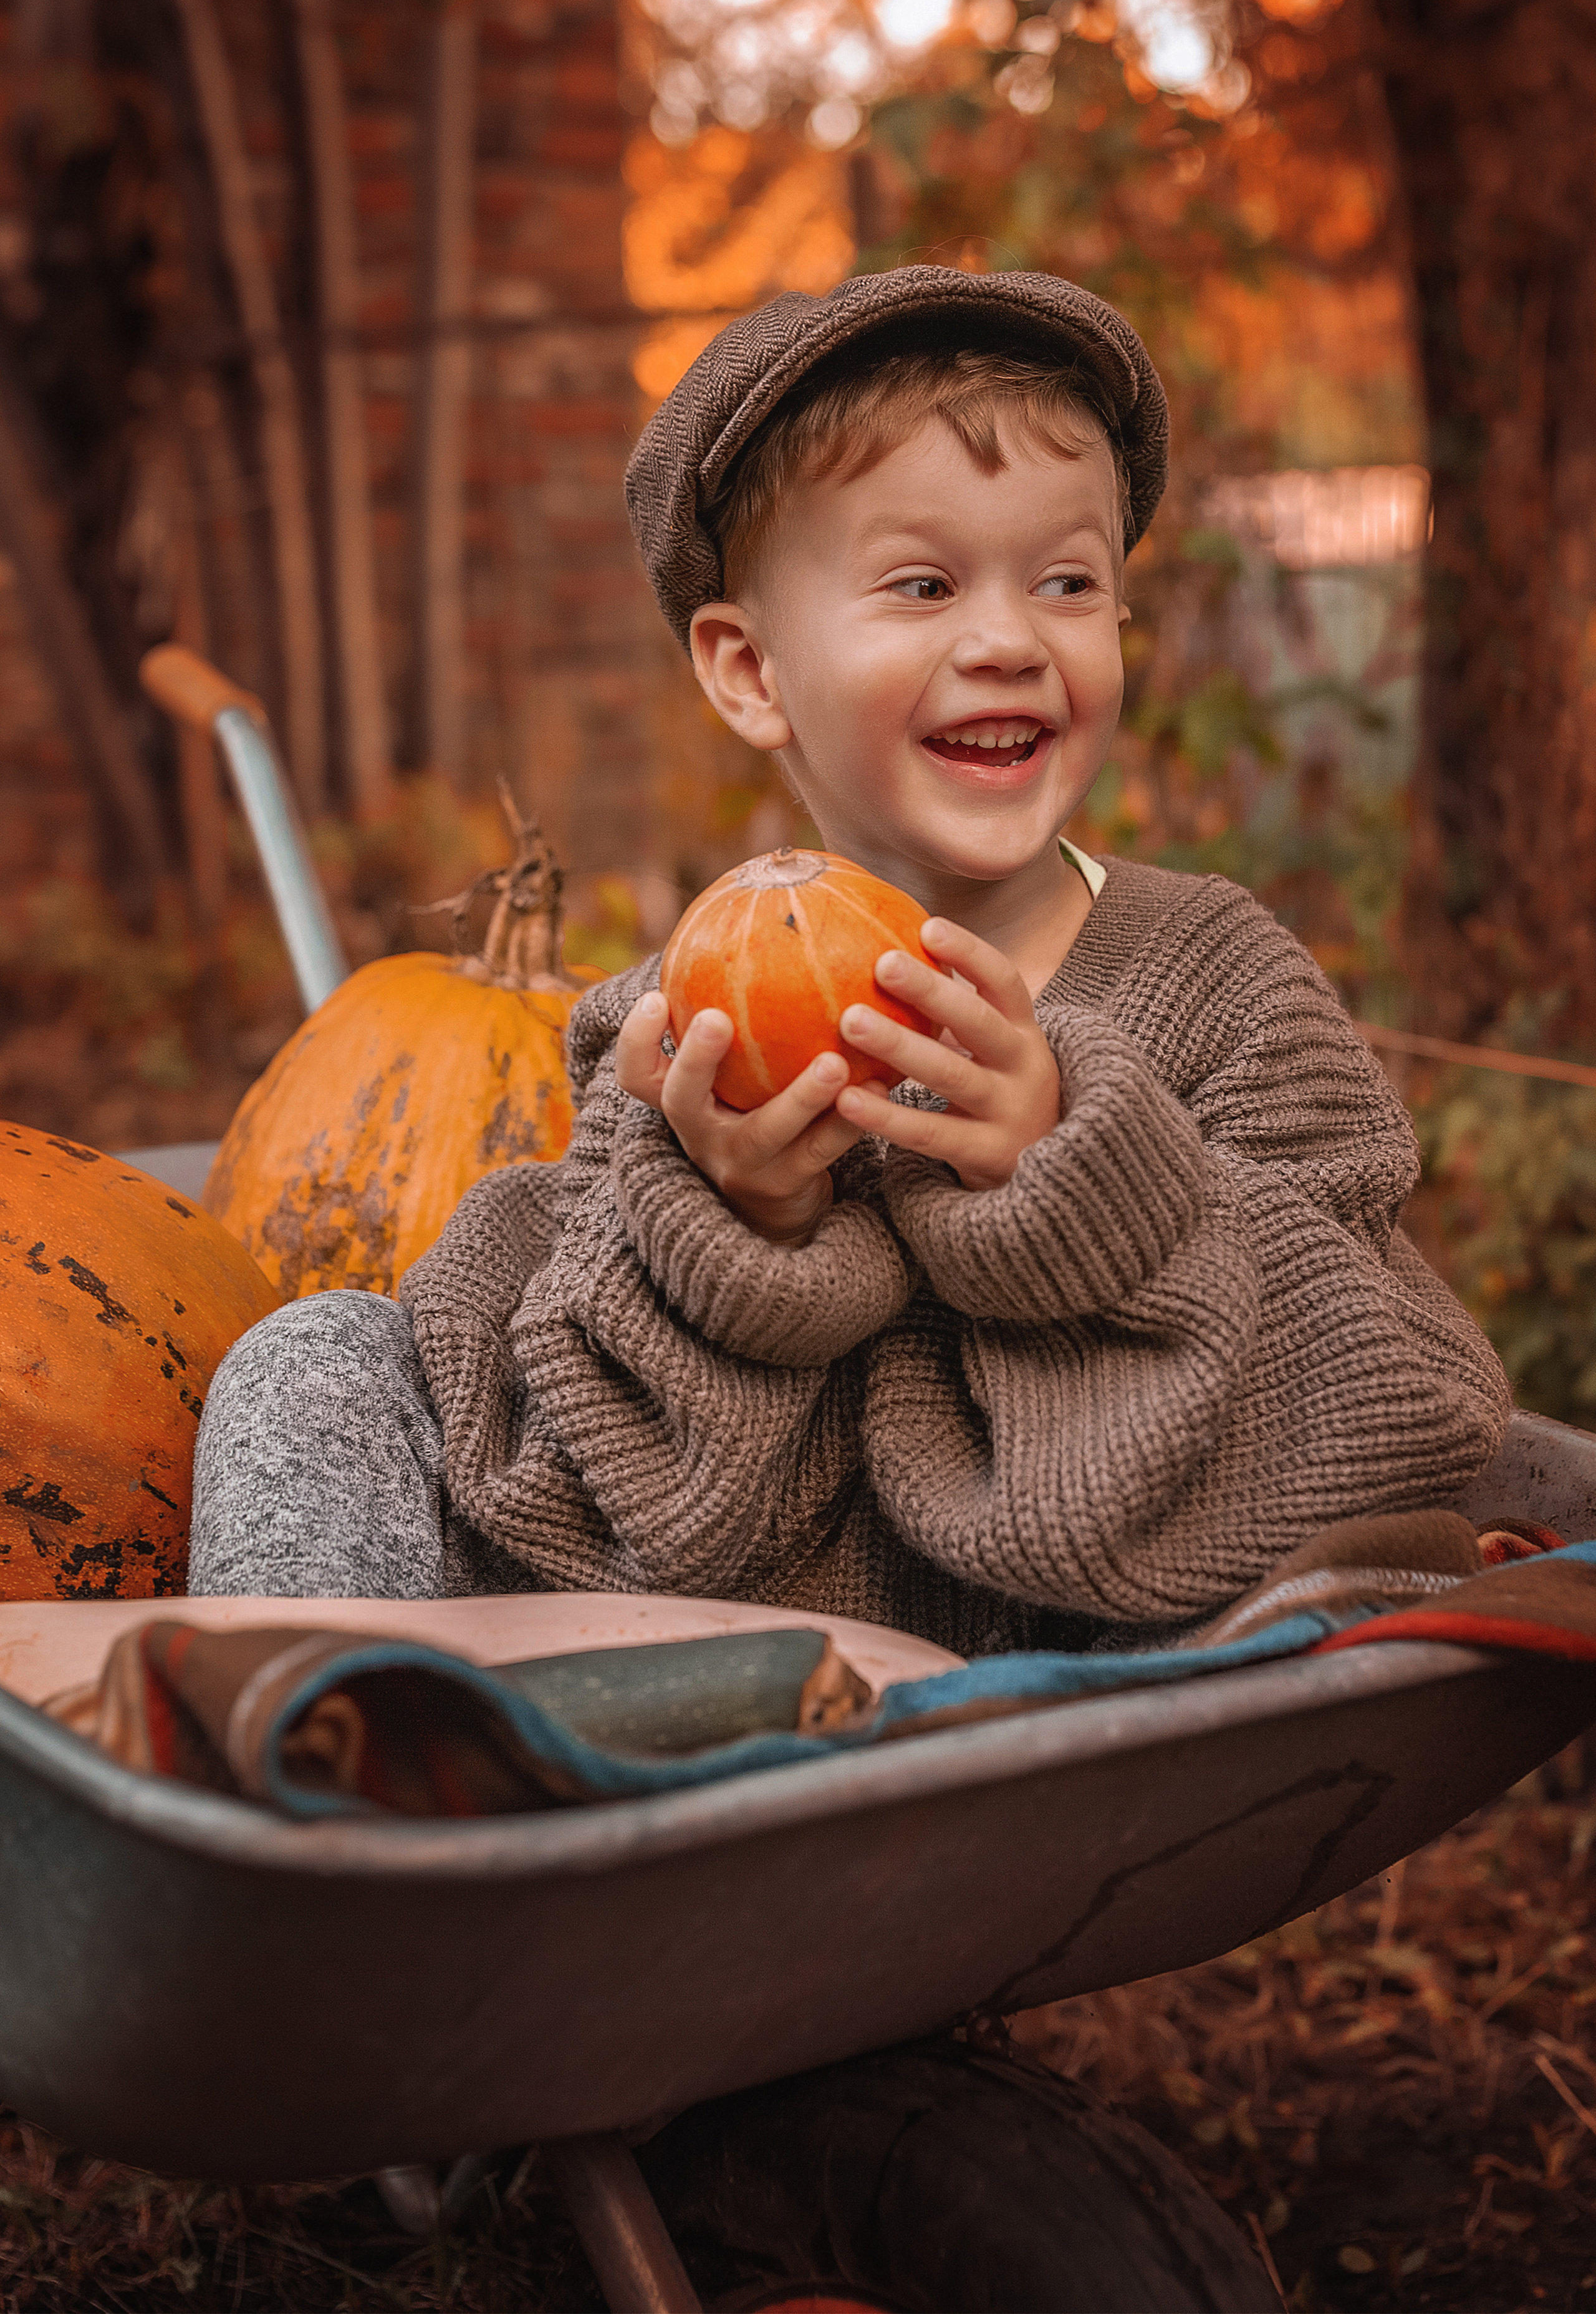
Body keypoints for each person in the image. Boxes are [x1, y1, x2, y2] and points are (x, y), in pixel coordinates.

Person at [190, 267, 1510, 1655]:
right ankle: (320, 1737)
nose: (1008, 640)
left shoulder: (1221, 983)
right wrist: (742, 1232)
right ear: (750, 673)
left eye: (1068, 583)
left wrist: (1074, 1183)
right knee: (318, 1355)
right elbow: (634, 1527)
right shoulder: (676, 1044)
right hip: (736, 1683)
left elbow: (1394, 1414)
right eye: (923, 584)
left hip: (1093, 1684)